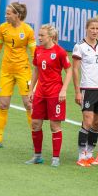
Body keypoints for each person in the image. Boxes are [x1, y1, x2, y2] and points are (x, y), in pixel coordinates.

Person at [0, 3, 37, 149]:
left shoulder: (27, 30)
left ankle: (35, 139)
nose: (6, 15)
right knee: (3, 104)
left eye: (8, 13)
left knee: (28, 104)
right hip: (6, 71)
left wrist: (37, 74)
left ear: (17, 15)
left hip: (23, 71)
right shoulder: (3, 28)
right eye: (6, 13)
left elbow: (34, 53)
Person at [27, 24, 73, 167]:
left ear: (50, 37)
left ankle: (55, 158)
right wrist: (31, 89)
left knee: (54, 126)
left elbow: (69, 71)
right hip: (40, 92)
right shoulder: (38, 50)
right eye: (38, 35)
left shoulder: (60, 52)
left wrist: (64, 90)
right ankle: (37, 156)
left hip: (55, 93)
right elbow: (36, 70)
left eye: (42, 35)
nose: (39, 37)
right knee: (35, 124)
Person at [72, 17, 98, 167]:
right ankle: (81, 155)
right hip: (87, 89)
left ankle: (89, 153)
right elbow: (75, 70)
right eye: (92, 28)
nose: (95, 31)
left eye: (97, 28)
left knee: (97, 123)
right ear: (87, 29)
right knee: (87, 121)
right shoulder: (80, 47)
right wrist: (77, 91)